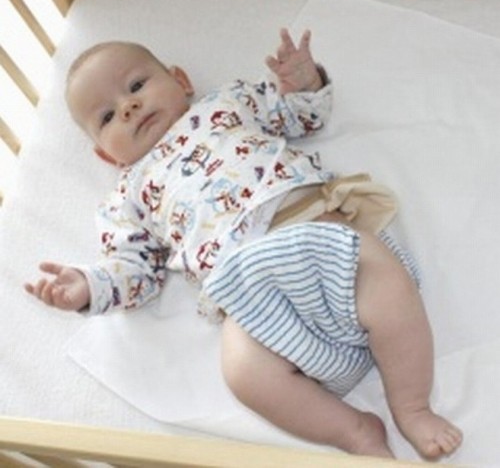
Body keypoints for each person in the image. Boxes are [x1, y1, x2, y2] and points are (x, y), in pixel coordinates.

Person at [24, 29, 462, 460]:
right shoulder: (126, 198)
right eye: (106, 117)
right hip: (244, 291)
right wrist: (88, 285)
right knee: (243, 374)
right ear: (106, 155)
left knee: (383, 277)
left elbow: (300, 115)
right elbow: (134, 268)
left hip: (310, 231)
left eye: (136, 85)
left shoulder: (226, 104)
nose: (128, 107)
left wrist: (303, 82)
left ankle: (412, 407)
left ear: (181, 80)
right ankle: (355, 432)